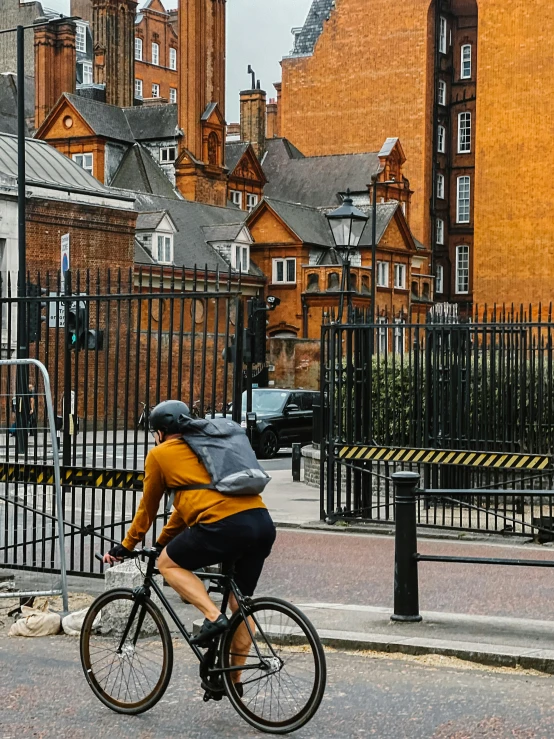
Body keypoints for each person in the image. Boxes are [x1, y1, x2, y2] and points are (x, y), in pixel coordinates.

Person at [103, 400, 276, 671]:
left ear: (160, 432)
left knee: (167, 564)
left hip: (224, 526)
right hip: (261, 522)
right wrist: (161, 543)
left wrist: (127, 545)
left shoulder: (160, 455)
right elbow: (184, 510)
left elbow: (147, 509)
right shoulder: (205, 446)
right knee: (239, 603)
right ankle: (233, 680)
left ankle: (212, 616)